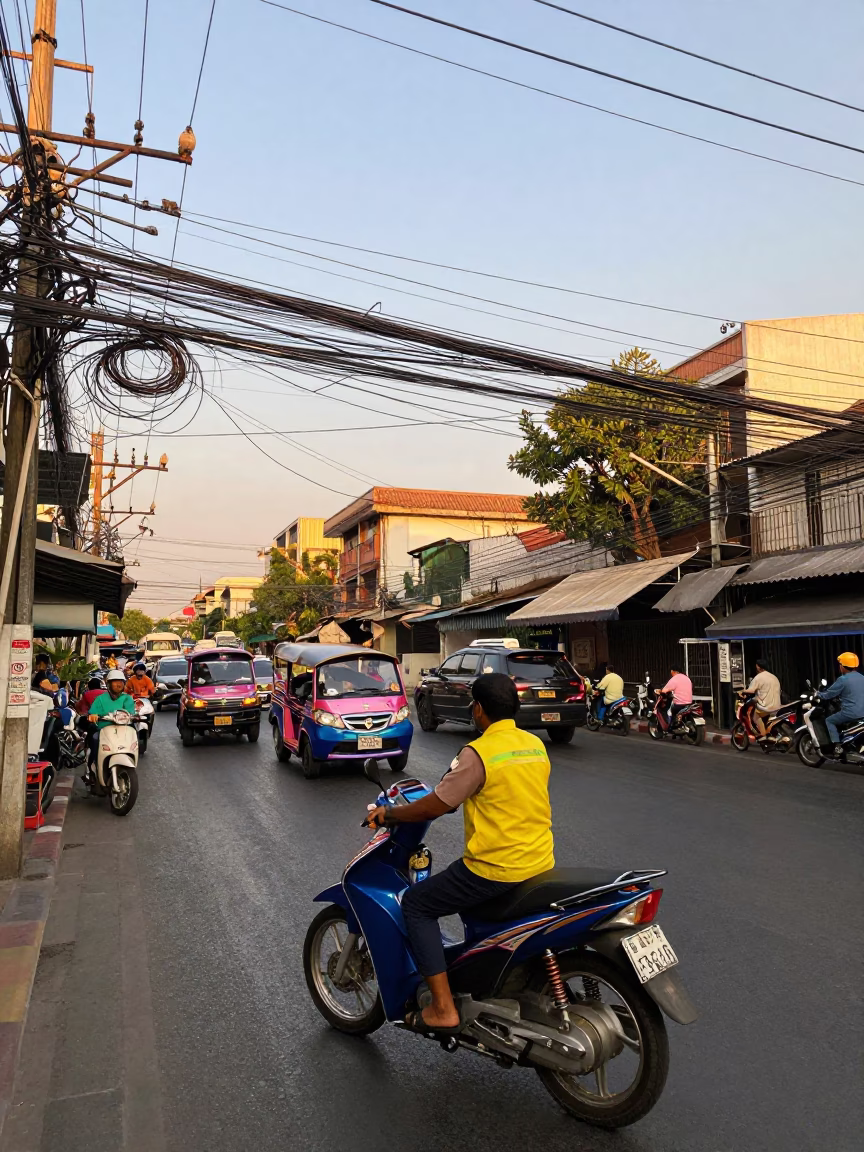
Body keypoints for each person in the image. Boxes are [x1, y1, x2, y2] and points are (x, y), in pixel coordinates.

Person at [365, 673, 554, 1035]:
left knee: (417, 904)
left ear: (479, 709)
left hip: (495, 868)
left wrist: (388, 814)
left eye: (473, 705)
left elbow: (437, 804)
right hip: (539, 862)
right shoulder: (534, 745)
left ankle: (443, 1007)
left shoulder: (479, 752)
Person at [86, 669, 135, 767]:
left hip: (124, 729)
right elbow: (93, 712)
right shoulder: (100, 699)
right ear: (108, 684)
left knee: (134, 736)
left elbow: (131, 712)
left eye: (121, 682)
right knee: (95, 739)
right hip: (104, 730)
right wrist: (93, 716)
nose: (119, 684)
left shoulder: (127, 698)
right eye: (115, 681)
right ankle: (93, 765)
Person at [820, 651, 864, 757]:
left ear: (843, 666)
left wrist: (817, 694)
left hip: (851, 713)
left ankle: (837, 746)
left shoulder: (843, 680)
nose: (839, 667)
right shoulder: (862, 677)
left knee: (829, 720)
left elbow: (828, 695)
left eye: (840, 665)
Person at [744, 659, 782, 738]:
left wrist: (742, 691)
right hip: (778, 705)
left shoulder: (758, 677)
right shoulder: (774, 677)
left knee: (756, 716)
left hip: (767, 707)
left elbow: (751, 691)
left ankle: (763, 734)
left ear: (758, 667)